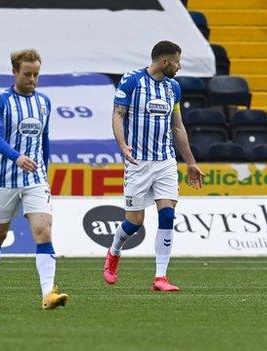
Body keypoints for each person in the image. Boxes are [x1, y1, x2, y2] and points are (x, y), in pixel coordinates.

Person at [103, 40, 204, 291]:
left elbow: (178, 126)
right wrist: (122, 144)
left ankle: (160, 277)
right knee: (135, 221)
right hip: (138, 162)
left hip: (165, 161)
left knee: (167, 214)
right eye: (178, 61)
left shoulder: (174, 88)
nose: (179, 67)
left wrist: (190, 162)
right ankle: (114, 251)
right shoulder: (132, 81)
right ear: (165, 61)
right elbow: (118, 114)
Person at [0, 49, 68, 310]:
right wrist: (17, 157)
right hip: (4, 180)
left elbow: (44, 140)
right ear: (14, 72)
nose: (32, 79)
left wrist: (45, 172)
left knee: (43, 230)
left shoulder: (44, 103)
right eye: (27, 74)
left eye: (36, 74)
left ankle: (48, 294)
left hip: (35, 180)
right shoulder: (1, 101)